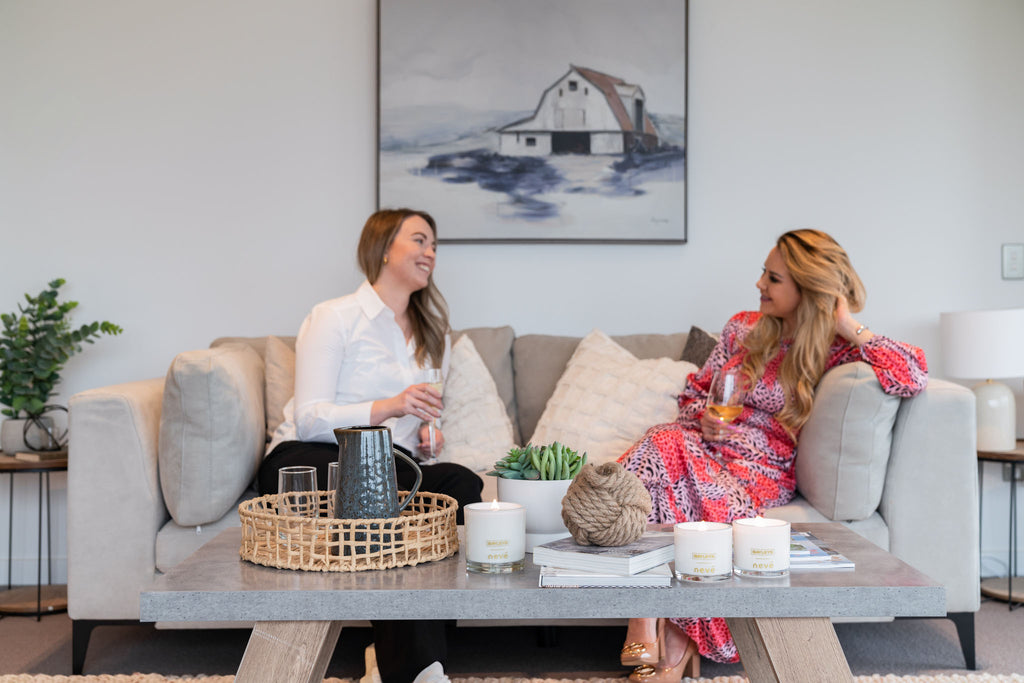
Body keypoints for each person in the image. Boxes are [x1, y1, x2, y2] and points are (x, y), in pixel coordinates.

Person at [616, 229, 928, 683]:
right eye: (764, 273)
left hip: (757, 469)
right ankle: (672, 638)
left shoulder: (834, 348)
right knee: (659, 446)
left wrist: (847, 323)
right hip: (698, 444)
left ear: (808, 289)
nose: (759, 284)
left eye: (774, 277)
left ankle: (650, 622)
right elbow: (696, 392)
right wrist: (703, 417)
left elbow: (912, 374)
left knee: (662, 446)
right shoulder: (742, 327)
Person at [258, 208, 482, 683]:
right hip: (308, 459)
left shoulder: (430, 335)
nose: (431, 253)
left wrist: (423, 436)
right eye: (420, 240)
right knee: (382, 490)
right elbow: (311, 416)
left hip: (387, 466)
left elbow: (412, 433)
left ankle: (399, 656)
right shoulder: (334, 317)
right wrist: (393, 404)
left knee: (460, 483)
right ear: (383, 248)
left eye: (435, 246)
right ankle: (420, 669)